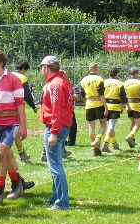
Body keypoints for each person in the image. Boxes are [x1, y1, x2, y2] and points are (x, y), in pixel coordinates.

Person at [0, 50, 28, 204]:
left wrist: (23, 126)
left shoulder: (13, 79)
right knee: (7, 154)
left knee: (1, 154)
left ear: (1, 63)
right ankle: (17, 185)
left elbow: (20, 104)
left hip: (11, 123)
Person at [40, 56, 73, 210]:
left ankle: (61, 203)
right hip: (64, 125)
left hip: (56, 127)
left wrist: (53, 132)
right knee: (55, 164)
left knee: (55, 166)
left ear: (46, 68)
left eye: (42, 67)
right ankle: (55, 197)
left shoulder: (55, 84)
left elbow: (56, 109)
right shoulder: (63, 81)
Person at [79, 63, 108, 156]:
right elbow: (101, 95)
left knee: (91, 127)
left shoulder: (83, 80)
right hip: (99, 103)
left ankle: (94, 149)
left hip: (89, 104)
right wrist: (106, 107)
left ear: (89, 69)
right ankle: (97, 139)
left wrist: (87, 102)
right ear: (96, 69)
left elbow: (82, 95)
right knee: (103, 124)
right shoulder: (99, 79)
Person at [12, 61, 38, 163]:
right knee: (16, 131)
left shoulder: (8, 74)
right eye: (25, 71)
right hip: (15, 108)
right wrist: (33, 106)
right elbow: (27, 94)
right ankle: (21, 153)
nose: (25, 73)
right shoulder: (21, 77)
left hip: (3, 107)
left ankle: (21, 153)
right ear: (23, 69)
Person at [101, 67, 127, 152]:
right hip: (115, 106)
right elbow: (123, 96)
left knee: (109, 126)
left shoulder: (104, 82)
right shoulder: (119, 83)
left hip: (105, 105)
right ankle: (105, 144)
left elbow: (100, 93)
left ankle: (115, 144)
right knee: (111, 126)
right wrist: (125, 105)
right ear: (117, 74)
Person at [123, 68, 140, 148]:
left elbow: (123, 94)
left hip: (129, 105)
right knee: (138, 124)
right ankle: (130, 136)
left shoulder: (125, 83)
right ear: (136, 73)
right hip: (137, 105)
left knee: (133, 123)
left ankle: (132, 141)